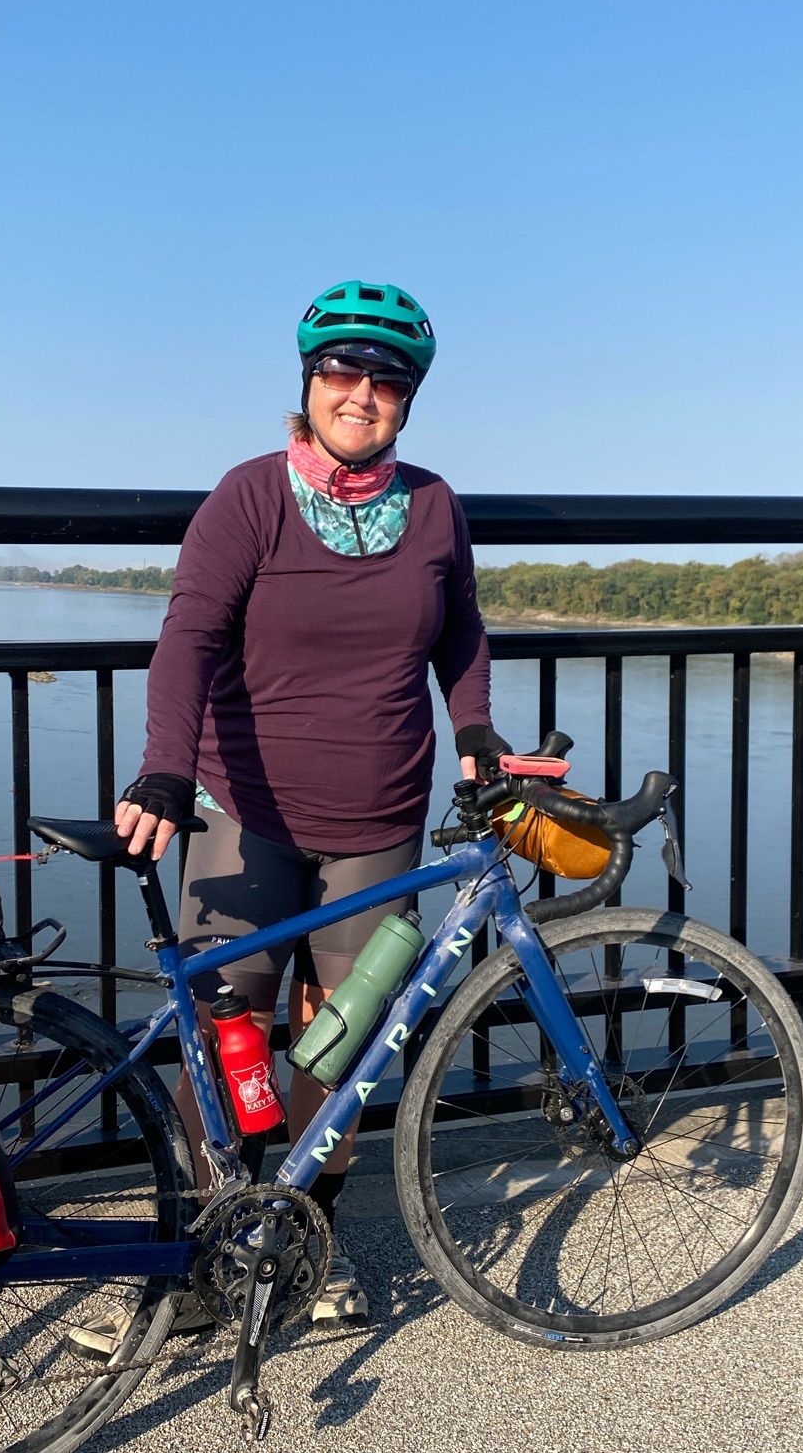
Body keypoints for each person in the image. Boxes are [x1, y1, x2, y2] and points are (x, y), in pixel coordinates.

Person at [84, 279, 506, 1347]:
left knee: (339, 1045)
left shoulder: (435, 503)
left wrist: (478, 732)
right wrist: (165, 769)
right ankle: (189, 1262)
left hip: (378, 814)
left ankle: (305, 1243)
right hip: (242, 808)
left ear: (407, 398)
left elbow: (458, 632)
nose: (361, 393)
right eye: (342, 372)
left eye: (386, 379)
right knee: (223, 1030)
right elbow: (187, 634)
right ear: (309, 382)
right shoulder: (250, 496)